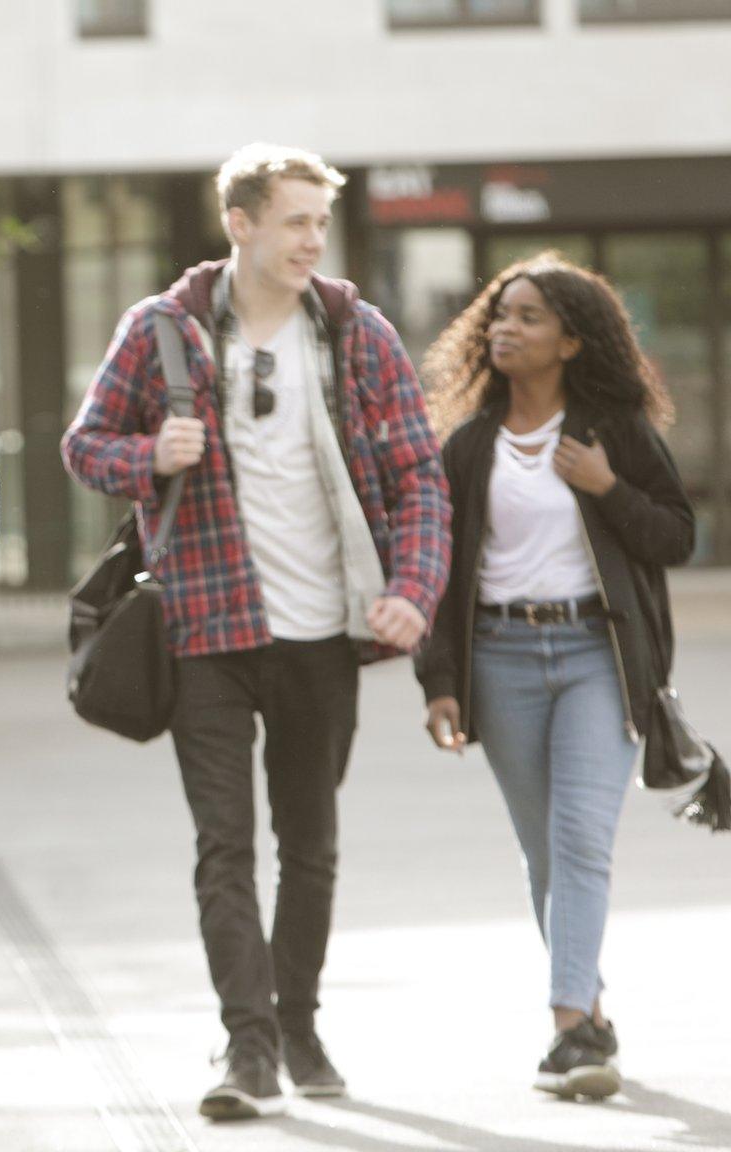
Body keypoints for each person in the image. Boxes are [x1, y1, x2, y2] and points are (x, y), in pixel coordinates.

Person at [62, 143, 449, 1119]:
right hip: (207, 626)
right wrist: (149, 453)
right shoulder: (161, 331)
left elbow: (418, 479)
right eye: (293, 221)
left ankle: (298, 1021)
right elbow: (83, 445)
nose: (310, 239)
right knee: (223, 848)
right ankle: (247, 1047)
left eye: (319, 222)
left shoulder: (353, 334)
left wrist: (412, 588)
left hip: (323, 630)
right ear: (239, 222)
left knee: (308, 844)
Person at [415, 253, 693, 1100]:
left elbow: (676, 535)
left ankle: (569, 1026)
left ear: (572, 340)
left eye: (529, 317)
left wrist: (608, 488)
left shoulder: (611, 432)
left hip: (595, 658)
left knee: (579, 841)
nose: (506, 328)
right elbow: (440, 570)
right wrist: (440, 682)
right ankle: (594, 1011)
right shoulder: (467, 447)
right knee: (544, 853)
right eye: (499, 315)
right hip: (499, 659)